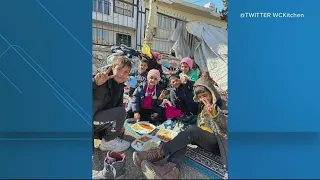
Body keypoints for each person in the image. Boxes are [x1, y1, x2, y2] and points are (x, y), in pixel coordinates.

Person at [132, 77, 228, 179]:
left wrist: (215, 114)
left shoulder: (222, 105)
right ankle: (171, 170)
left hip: (220, 142)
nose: (203, 99)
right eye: (200, 97)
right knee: (182, 136)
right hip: (204, 138)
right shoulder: (202, 105)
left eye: (205, 96)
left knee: (191, 130)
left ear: (212, 93)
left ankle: (158, 153)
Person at [92, 56, 132, 152]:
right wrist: (95, 83)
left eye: (126, 72)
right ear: (112, 68)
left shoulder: (120, 85)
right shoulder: (101, 77)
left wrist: (119, 125)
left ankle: (108, 139)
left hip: (98, 121)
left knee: (120, 130)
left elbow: (118, 106)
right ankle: (108, 143)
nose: (122, 74)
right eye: (119, 69)